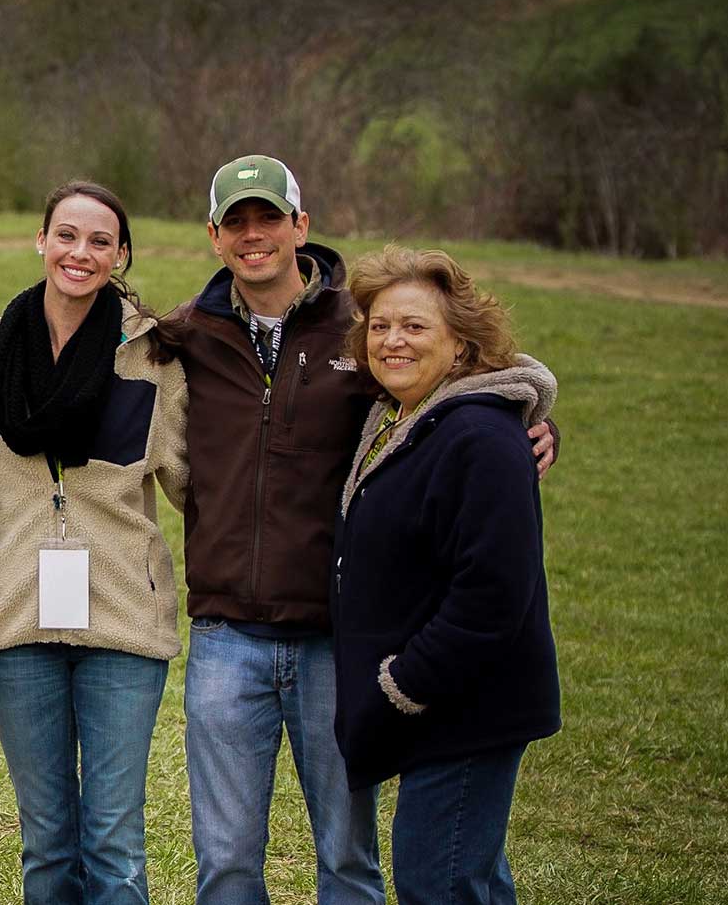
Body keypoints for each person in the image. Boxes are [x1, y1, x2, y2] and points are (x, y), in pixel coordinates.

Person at [168, 155, 556, 905]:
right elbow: (92, 337)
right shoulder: (191, 332)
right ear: (214, 236)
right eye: (236, 222)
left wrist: (535, 423)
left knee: (348, 859)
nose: (254, 235)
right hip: (225, 635)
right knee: (225, 862)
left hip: (335, 640)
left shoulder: (363, 324)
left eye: (269, 217)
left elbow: (477, 372)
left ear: (300, 226)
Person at [0, 180, 190, 905]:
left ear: (120, 255)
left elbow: (198, 484)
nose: (80, 252)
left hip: (124, 623)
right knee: (46, 841)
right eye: (66, 235)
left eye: (100, 241)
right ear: (41, 240)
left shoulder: (154, 361)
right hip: (18, 620)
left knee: (114, 841)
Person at [332, 247, 560, 905]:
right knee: (467, 879)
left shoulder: (480, 436)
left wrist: (402, 686)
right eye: (379, 326)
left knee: (440, 882)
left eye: (414, 326)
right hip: (440, 706)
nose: (392, 341)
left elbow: (493, 596)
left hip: (465, 707)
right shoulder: (397, 418)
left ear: (461, 343)